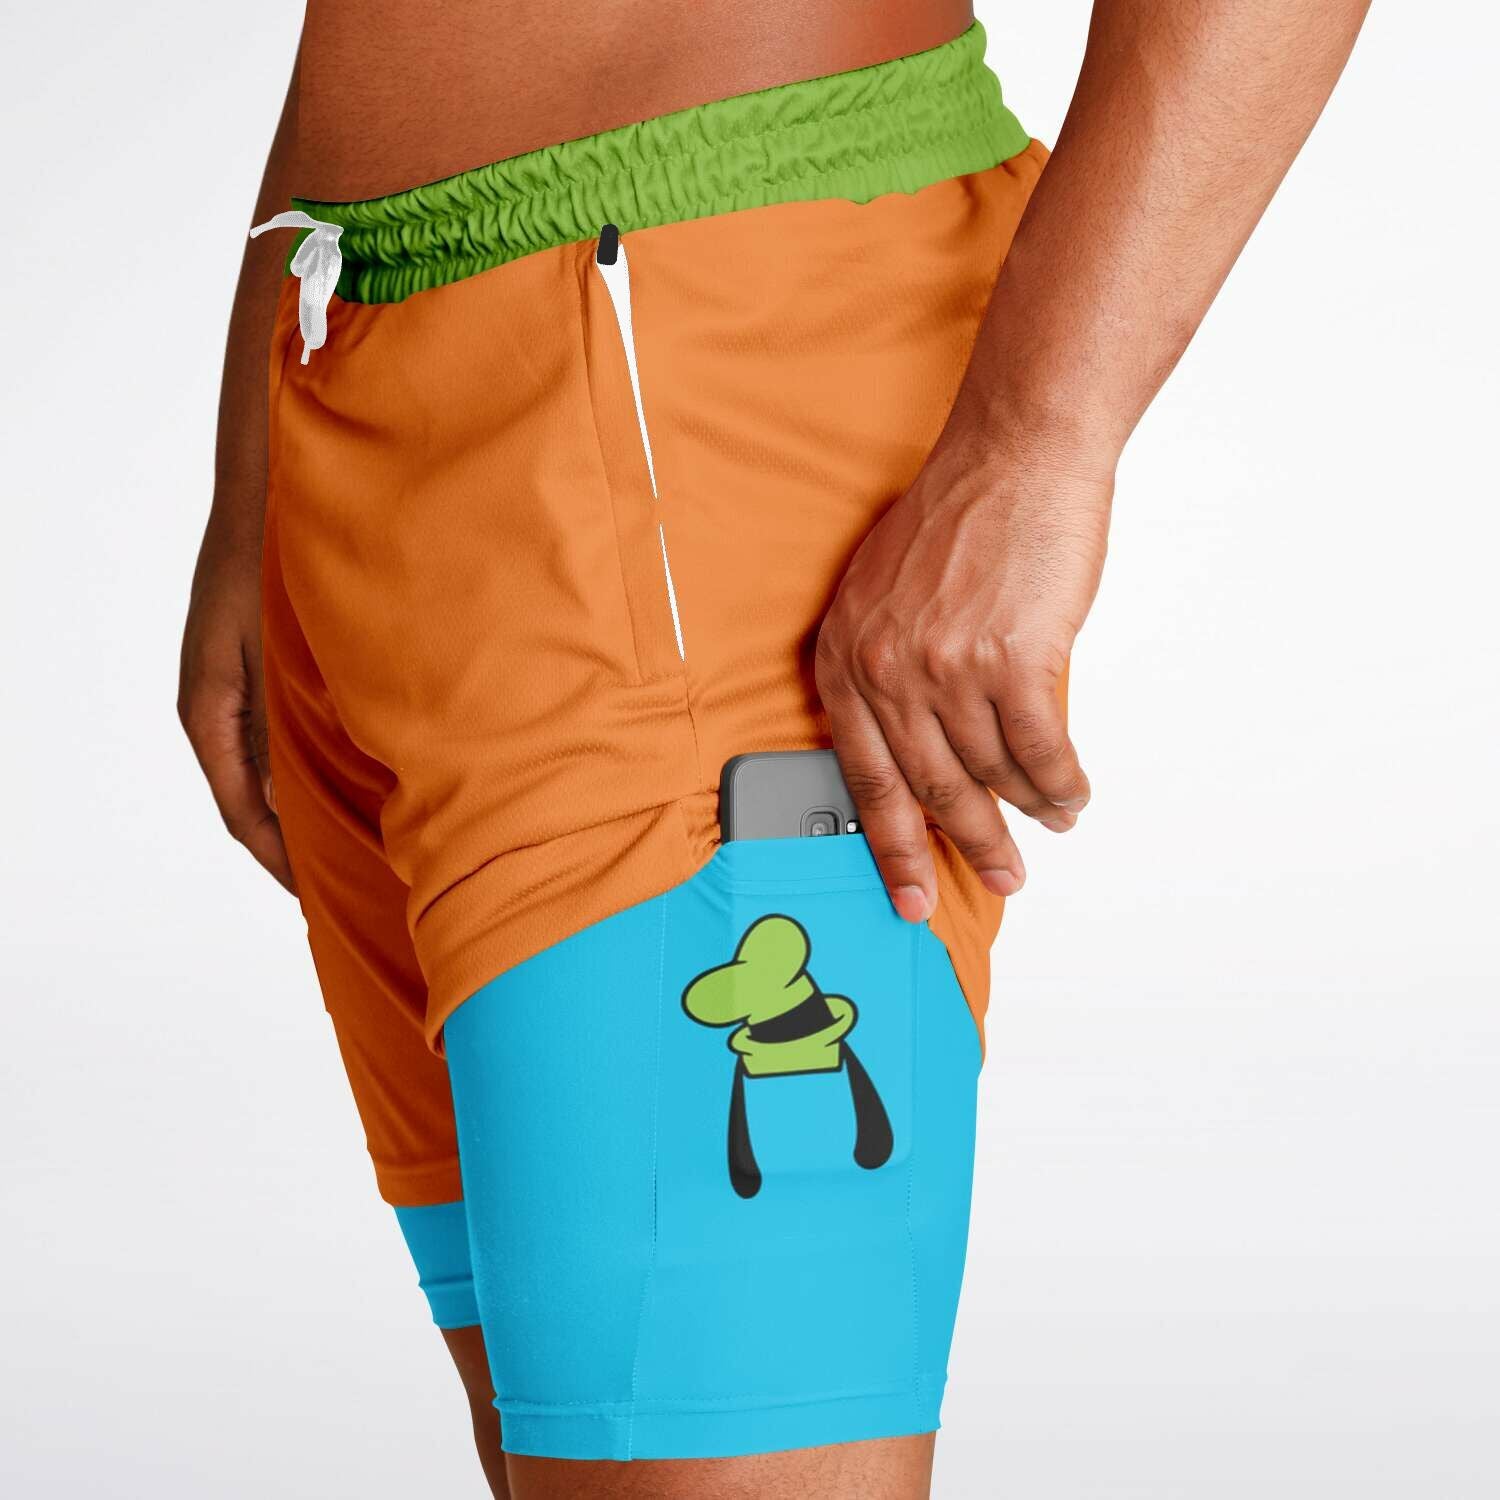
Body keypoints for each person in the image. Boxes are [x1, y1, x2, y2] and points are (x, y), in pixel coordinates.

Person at [178, 3, 1368, 1496]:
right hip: (361, 376)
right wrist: (254, 484)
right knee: (586, 1445)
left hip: (690, 390)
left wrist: (1037, 444)